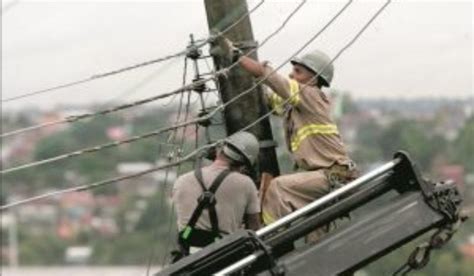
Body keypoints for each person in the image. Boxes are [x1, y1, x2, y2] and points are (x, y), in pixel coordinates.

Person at [216, 37, 358, 242]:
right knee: (315, 235)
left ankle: (266, 238)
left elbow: (270, 77)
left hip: (331, 176)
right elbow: (271, 97)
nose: (292, 74)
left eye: (298, 72)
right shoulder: (298, 104)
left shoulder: (311, 95)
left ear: (314, 79)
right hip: (321, 180)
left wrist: (236, 56)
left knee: (278, 187)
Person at [171, 131, 261, 260]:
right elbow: (255, 229)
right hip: (222, 256)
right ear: (243, 165)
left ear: (219, 151)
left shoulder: (181, 180)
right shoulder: (246, 184)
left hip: (188, 257)